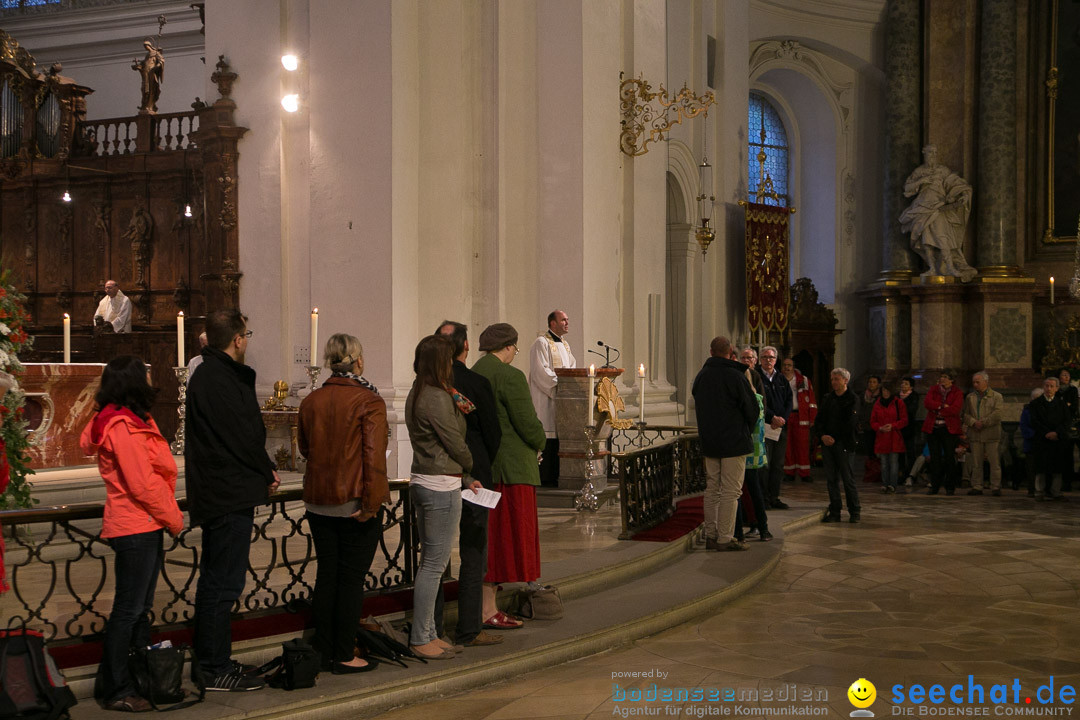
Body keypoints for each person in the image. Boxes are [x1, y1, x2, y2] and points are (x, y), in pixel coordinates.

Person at [79, 356, 184, 713]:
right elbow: (141, 482)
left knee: (139, 611)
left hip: (146, 523)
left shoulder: (134, 419)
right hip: (135, 525)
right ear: (133, 381)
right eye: (148, 372)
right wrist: (173, 517)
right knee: (128, 610)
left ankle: (140, 677)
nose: (153, 376)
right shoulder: (120, 425)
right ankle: (116, 687)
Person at [186, 309, 280, 691]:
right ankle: (212, 667)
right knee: (221, 586)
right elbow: (240, 434)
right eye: (247, 335)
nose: (247, 341)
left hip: (226, 490)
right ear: (238, 339)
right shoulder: (216, 376)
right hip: (224, 494)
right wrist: (264, 469)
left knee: (222, 582)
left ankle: (217, 660)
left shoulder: (213, 373)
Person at [298, 333, 388, 674]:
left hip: (318, 502)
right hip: (354, 502)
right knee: (351, 580)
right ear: (358, 360)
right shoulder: (369, 401)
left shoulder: (312, 400)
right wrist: (372, 503)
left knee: (328, 576)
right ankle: (344, 653)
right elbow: (373, 456)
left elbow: (305, 449)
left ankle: (324, 649)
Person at [405, 335, 478, 660]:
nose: (452, 364)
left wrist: (463, 476)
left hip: (433, 479)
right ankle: (421, 637)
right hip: (438, 487)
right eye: (448, 359)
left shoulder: (421, 390)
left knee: (433, 564)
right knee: (433, 566)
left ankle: (431, 633)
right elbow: (453, 441)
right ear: (439, 361)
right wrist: (470, 464)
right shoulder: (433, 397)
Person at [434, 321, 504, 648]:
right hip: (475, 475)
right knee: (474, 553)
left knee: (436, 558)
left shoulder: (431, 383)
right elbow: (493, 432)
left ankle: (432, 630)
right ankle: (469, 629)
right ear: (465, 347)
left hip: (438, 475)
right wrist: (479, 462)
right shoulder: (475, 382)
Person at [473, 323, 547, 626]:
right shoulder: (509, 376)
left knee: (488, 537)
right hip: (512, 468)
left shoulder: (475, 372)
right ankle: (488, 609)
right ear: (508, 347)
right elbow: (527, 423)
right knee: (507, 539)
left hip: (482, 468)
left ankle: (485, 604)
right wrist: (542, 442)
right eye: (515, 348)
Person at [693, 337, 758, 551]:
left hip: (710, 441)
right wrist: (744, 430)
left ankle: (711, 536)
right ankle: (724, 539)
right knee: (731, 491)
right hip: (734, 442)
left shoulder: (702, 376)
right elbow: (752, 409)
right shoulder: (735, 375)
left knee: (712, 490)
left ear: (711, 352)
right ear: (730, 352)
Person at [899, 144, 977, 282]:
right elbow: (907, 187)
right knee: (926, 240)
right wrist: (921, 180)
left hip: (938, 207)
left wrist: (963, 194)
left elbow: (955, 183)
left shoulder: (942, 170)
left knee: (943, 237)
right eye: (930, 153)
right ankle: (932, 268)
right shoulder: (919, 171)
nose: (933, 156)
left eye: (935, 153)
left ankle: (950, 267)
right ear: (924, 154)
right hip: (922, 207)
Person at [528, 310, 576, 487]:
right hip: (546, 398)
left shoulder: (565, 344)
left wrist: (570, 385)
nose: (567, 322)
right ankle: (544, 477)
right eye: (563, 320)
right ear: (553, 323)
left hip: (560, 398)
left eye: (567, 319)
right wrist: (560, 386)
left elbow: (571, 368)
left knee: (558, 438)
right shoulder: (541, 343)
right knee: (547, 435)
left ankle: (556, 476)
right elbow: (540, 372)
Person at [814, 368, 860, 523]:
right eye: (832, 379)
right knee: (831, 479)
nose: (834, 382)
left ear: (845, 380)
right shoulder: (828, 398)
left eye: (837, 379)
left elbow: (850, 423)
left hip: (844, 443)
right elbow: (819, 420)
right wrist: (823, 436)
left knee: (848, 479)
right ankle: (835, 510)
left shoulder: (852, 399)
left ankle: (854, 511)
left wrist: (834, 437)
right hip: (828, 443)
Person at [757, 346, 792, 509]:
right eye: (764, 357)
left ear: (775, 360)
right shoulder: (757, 377)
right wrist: (772, 417)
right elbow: (759, 402)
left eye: (771, 358)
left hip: (780, 427)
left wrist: (783, 418)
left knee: (778, 464)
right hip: (766, 426)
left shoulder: (781, 378)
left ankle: (774, 496)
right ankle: (763, 498)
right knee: (766, 464)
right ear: (760, 359)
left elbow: (789, 401)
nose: (768, 360)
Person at [1029, 376, 1071, 502]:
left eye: (1052, 386)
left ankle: (1056, 491)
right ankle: (1039, 491)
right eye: (1047, 386)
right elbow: (1034, 421)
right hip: (1042, 439)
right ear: (1043, 387)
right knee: (1041, 467)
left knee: (1057, 468)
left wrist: (1056, 433)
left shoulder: (1061, 404)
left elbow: (1067, 421)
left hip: (1057, 440)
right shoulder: (1036, 404)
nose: (1049, 388)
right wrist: (1046, 433)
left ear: (1057, 388)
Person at [962, 371, 1003, 496]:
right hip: (975, 433)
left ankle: (995, 486)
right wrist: (974, 422)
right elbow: (965, 414)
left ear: (985, 382)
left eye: (977, 382)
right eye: (974, 382)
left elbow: (997, 414)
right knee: (976, 462)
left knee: (994, 462)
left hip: (991, 434)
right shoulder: (970, 397)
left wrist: (983, 423)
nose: (975, 384)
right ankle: (977, 486)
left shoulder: (996, 396)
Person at [923, 370, 963, 496]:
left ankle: (950, 486)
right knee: (935, 458)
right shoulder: (933, 389)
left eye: (945, 377)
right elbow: (927, 403)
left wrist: (940, 411)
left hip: (948, 429)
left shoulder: (957, 392)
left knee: (949, 458)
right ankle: (935, 485)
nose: (942, 379)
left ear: (951, 380)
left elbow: (955, 409)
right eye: (941, 377)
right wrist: (941, 406)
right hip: (933, 428)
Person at [781, 358, 817, 482]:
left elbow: (811, 401)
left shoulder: (804, 380)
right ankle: (789, 472)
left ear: (793, 366)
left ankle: (804, 473)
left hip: (801, 416)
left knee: (802, 445)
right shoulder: (779, 379)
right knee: (787, 446)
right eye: (785, 365)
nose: (787, 367)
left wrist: (812, 417)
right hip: (785, 416)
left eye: (789, 365)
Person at [870, 382, 908, 494]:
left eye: (887, 391)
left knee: (893, 462)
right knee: (884, 462)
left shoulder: (898, 403)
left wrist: (893, 426)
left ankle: (892, 484)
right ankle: (885, 483)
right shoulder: (877, 403)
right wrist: (879, 427)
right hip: (882, 436)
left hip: (894, 436)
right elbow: (873, 421)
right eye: (883, 391)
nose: (885, 393)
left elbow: (904, 420)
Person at [857, 376, 881, 484]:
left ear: (878, 384)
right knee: (869, 450)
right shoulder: (863, 396)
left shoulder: (880, 396)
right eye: (870, 382)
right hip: (867, 426)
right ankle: (871, 472)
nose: (872, 384)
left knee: (878, 450)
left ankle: (879, 473)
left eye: (874, 382)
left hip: (878, 426)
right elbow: (860, 409)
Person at [898, 377, 921, 484]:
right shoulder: (896, 396)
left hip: (909, 428)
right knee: (900, 453)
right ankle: (901, 474)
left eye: (906, 384)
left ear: (911, 387)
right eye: (902, 383)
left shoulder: (914, 397)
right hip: (898, 429)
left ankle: (911, 475)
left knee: (910, 453)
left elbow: (910, 411)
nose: (903, 385)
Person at [132, 38, 164, 114]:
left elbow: (161, 60)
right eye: (144, 46)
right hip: (146, 73)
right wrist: (138, 66)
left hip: (151, 72)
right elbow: (144, 62)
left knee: (151, 89)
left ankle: (150, 105)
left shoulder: (156, 53)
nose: (145, 48)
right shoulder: (147, 55)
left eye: (146, 46)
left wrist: (157, 66)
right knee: (144, 89)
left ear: (149, 45)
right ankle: (145, 105)